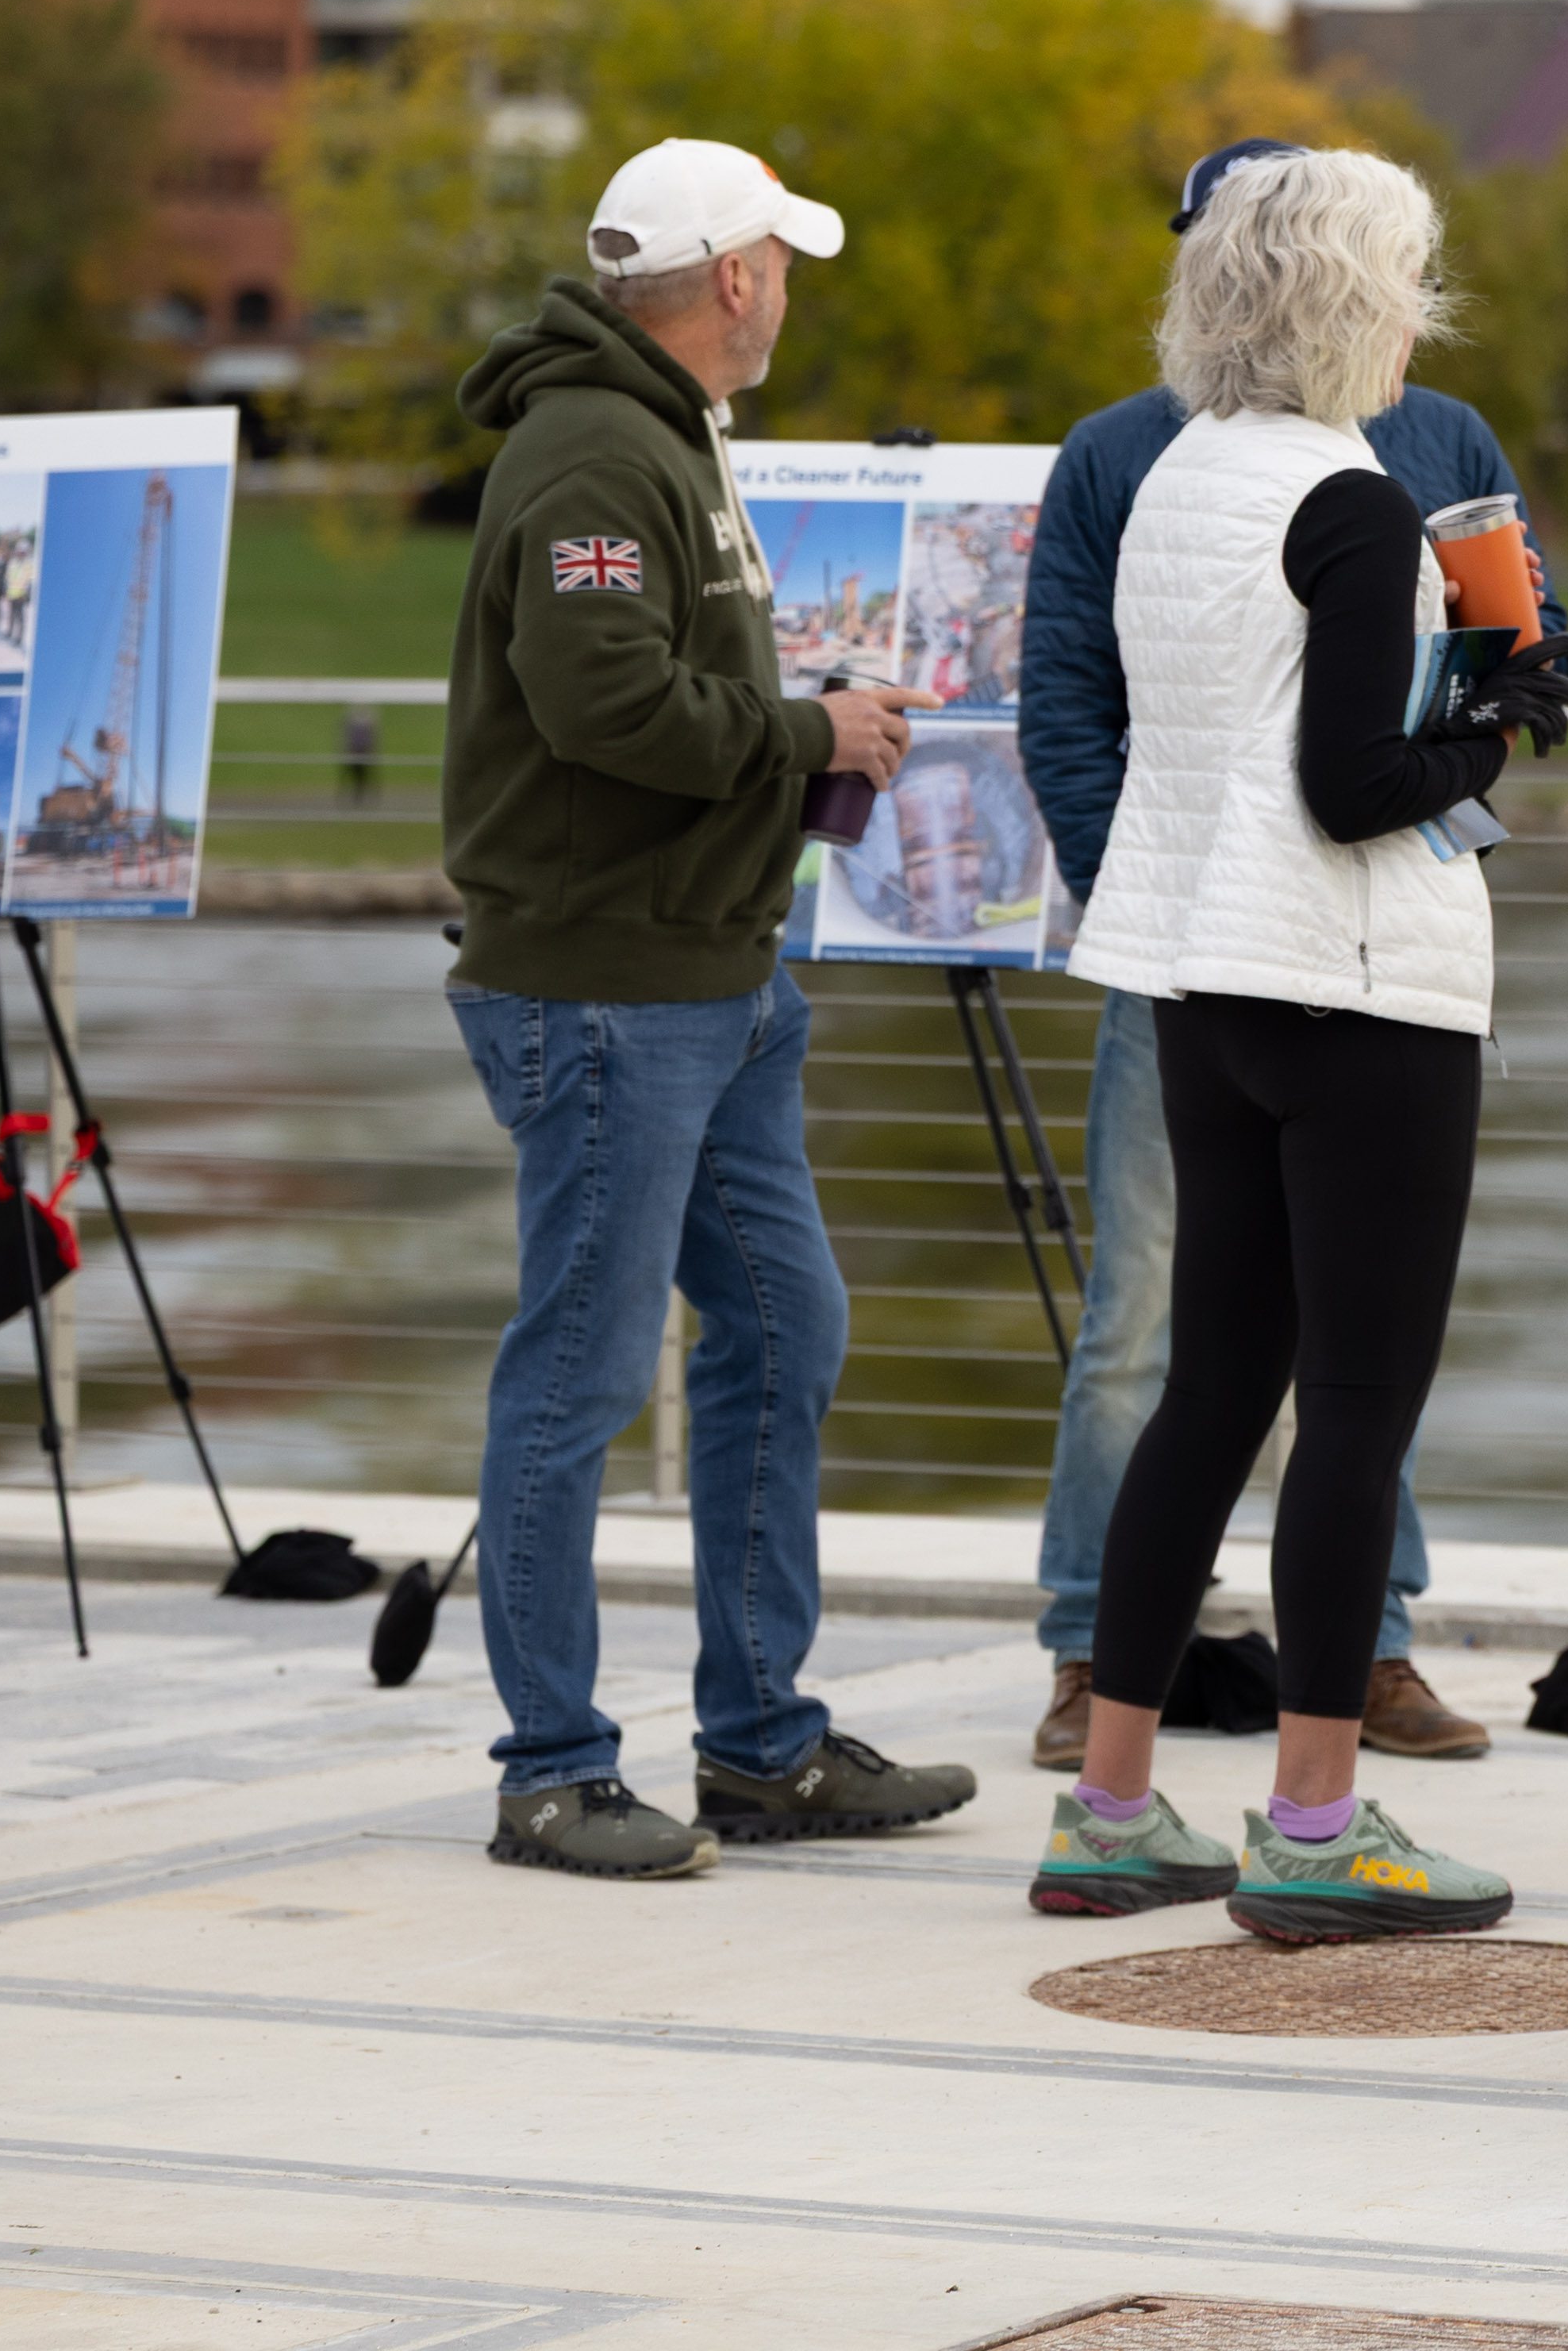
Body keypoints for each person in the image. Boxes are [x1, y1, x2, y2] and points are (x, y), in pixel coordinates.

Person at [1032, 145, 1568, 1936]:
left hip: (1203, 982)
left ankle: (1113, 1802)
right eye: (1410, 282)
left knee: (1210, 1389)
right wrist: (1496, 719)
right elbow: (1358, 784)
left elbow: (1251, 719)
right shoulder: (1351, 500)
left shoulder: (1177, 470)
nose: (1425, 314)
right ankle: (1321, 1821)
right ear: (1356, 299)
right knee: (1355, 1406)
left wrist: (1453, 689)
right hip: (1357, 988)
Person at [441, 136, 978, 1880]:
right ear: (734, 273)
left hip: (714, 973)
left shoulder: (659, 434)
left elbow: (655, 684)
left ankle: (762, 1746)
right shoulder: (596, 447)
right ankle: (553, 1771)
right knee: (580, 1373)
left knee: (785, 1325)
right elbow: (602, 703)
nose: (790, 288)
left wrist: (787, 709)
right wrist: (808, 734)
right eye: (784, 261)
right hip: (608, 988)